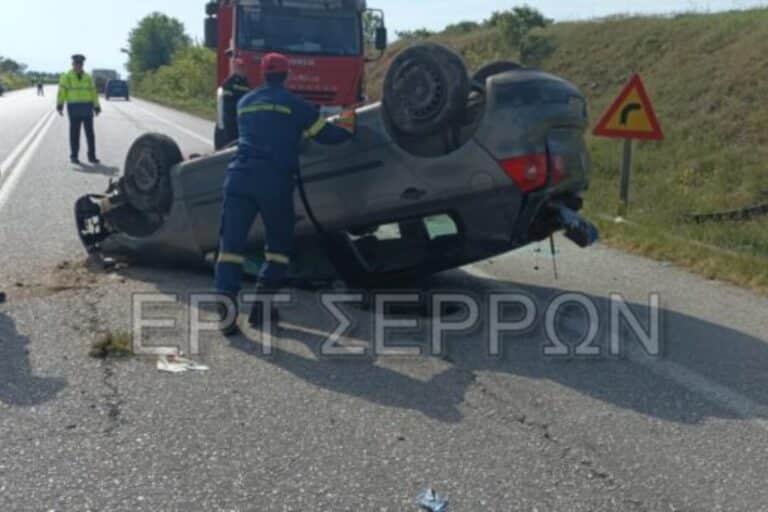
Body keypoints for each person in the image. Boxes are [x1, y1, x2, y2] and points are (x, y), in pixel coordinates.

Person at [215, 52, 355, 334]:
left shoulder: (245, 102)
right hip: (273, 182)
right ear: (287, 74)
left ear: (263, 74)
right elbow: (328, 136)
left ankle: (226, 312)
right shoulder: (295, 104)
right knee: (278, 249)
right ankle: (262, 308)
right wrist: (348, 122)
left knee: (230, 248)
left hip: (238, 178)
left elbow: (254, 132)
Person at [57, 54, 101, 165]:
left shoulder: (88, 77)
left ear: (82, 65)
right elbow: (62, 92)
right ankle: (74, 156)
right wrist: (60, 105)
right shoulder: (66, 76)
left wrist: (96, 106)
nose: (79, 65)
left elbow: (93, 92)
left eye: (80, 64)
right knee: (74, 133)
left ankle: (92, 157)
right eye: (77, 63)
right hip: (74, 107)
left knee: (90, 133)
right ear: (73, 64)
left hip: (87, 107)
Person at [220, 53, 252, 147]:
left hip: (242, 118)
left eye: (243, 67)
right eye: (240, 67)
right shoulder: (229, 82)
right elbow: (227, 102)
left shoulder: (246, 82)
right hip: (231, 119)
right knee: (231, 143)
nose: (243, 70)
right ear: (236, 68)